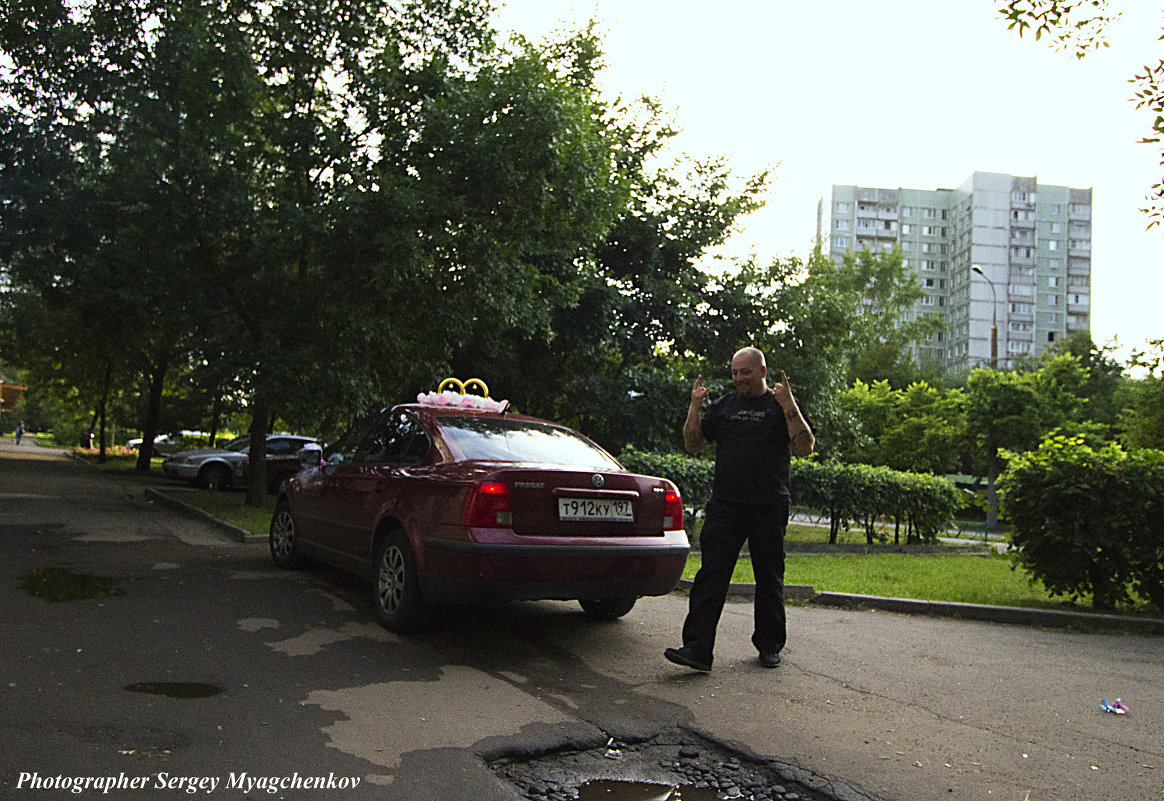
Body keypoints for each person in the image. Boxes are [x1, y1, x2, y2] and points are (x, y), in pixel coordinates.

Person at [665, 347, 814, 672]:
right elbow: (693, 445)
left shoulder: (781, 405)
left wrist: (788, 403)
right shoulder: (724, 406)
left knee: (769, 576)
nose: (738, 378)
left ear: (761, 371)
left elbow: (805, 446)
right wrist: (695, 406)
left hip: (769, 505)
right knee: (710, 577)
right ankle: (697, 648)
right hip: (726, 506)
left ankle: (770, 645)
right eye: (734, 372)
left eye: (744, 372)